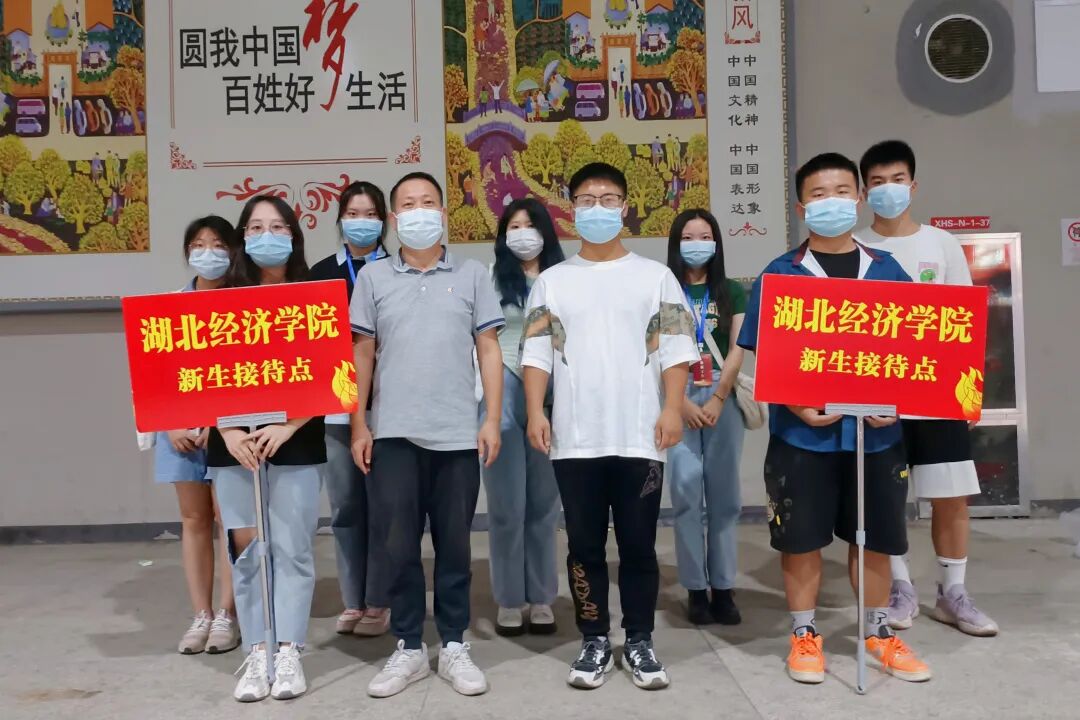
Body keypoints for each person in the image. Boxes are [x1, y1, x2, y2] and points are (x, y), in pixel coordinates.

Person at [737, 152, 932, 686]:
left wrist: (894, 404)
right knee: (800, 539)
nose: (833, 203)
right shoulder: (780, 275)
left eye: (843, 192)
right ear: (802, 208)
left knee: (875, 537)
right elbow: (767, 356)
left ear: (860, 199)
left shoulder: (887, 271)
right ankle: (804, 634)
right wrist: (795, 403)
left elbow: (913, 351)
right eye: (819, 195)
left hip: (877, 437)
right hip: (804, 436)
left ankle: (878, 632)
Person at [521, 162, 699, 691]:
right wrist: (536, 410)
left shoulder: (655, 277)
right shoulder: (553, 281)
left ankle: (640, 639)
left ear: (624, 208)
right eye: (586, 200)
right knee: (584, 546)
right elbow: (536, 353)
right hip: (576, 438)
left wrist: (672, 408)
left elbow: (676, 350)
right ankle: (594, 638)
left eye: (607, 199)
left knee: (640, 545)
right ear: (571, 208)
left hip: (640, 435)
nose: (596, 208)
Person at [350, 172, 504, 699]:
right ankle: (410, 646)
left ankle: (455, 642)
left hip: (456, 433)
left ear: (442, 213)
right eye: (409, 204)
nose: (419, 211)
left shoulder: (472, 274)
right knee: (397, 544)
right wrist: (359, 423)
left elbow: (488, 349)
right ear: (395, 219)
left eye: (428, 202)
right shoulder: (373, 278)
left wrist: (491, 419)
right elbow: (362, 355)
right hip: (393, 432)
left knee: (455, 544)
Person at [858, 140, 998, 637]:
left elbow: (966, 322)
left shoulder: (941, 244)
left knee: (951, 496)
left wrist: (969, 393)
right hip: (879, 399)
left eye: (897, 180)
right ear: (864, 192)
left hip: (938, 396)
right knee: (885, 498)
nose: (888, 190)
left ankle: (952, 593)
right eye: (877, 182)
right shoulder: (856, 248)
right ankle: (900, 588)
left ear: (913, 186)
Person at [209, 195, 326, 703]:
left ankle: (289, 650)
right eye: (255, 227)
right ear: (242, 237)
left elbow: (333, 371)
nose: (266, 236)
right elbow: (198, 376)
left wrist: (292, 424)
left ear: (293, 236)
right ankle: (257, 651)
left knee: (293, 550)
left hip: (296, 442)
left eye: (277, 227)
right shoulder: (218, 300)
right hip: (232, 447)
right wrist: (229, 431)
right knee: (248, 553)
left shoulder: (314, 296)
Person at [154, 216, 243, 656]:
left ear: (233, 250)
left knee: (230, 521)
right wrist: (171, 422)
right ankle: (201, 614)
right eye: (198, 244)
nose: (208, 252)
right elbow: (155, 375)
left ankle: (228, 614)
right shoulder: (170, 307)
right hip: (179, 431)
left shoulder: (244, 304)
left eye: (218, 243)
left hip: (228, 433)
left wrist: (221, 422)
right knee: (193, 521)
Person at [308, 182, 391, 639]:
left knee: (384, 509)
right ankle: (353, 600)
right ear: (340, 219)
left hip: (388, 409)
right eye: (353, 213)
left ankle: (379, 601)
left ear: (384, 221)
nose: (362, 222)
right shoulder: (321, 274)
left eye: (370, 213)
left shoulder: (397, 269)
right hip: (336, 411)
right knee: (344, 509)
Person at [483, 198, 565, 636]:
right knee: (505, 508)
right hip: (502, 393)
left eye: (528, 225)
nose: (521, 234)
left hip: (551, 397)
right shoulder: (490, 278)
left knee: (543, 506)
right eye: (512, 227)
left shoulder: (564, 278)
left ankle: (542, 596)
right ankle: (510, 598)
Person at [665, 209, 747, 626]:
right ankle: (696, 589)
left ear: (716, 243)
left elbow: (738, 348)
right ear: (676, 244)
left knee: (724, 499)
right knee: (685, 494)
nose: (697, 244)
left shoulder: (731, 291)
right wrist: (678, 402)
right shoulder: (663, 289)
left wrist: (717, 397)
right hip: (676, 392)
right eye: (688, 237)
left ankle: (725, 588)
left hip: (721, 393)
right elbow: (653, 349)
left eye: (705, 236)